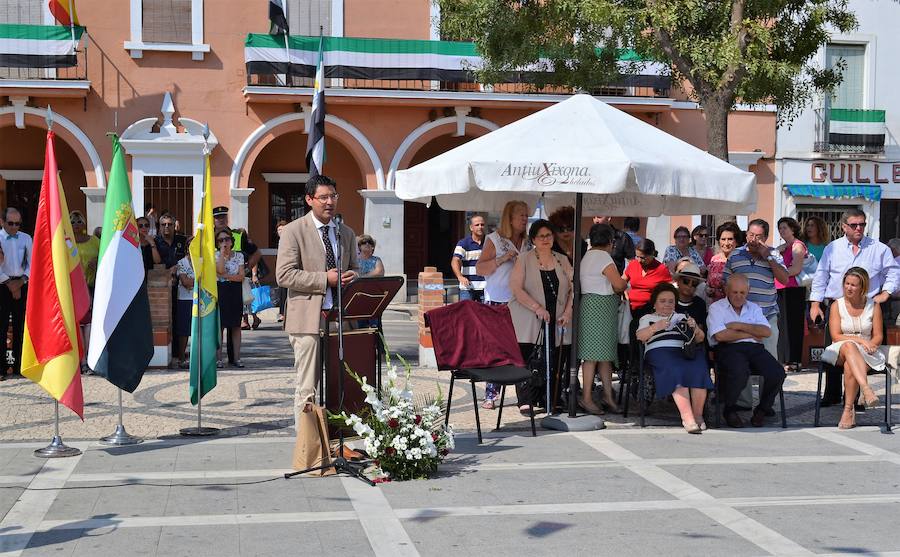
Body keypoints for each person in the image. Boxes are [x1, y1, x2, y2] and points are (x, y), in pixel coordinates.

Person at [275, 175, 358, 427]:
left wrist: (354, 274)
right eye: (323, 197)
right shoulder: (293, 231)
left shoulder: (346, 232)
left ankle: (336, 442)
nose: (330, 202)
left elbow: (355, 267)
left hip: (339, 318)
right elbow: (284, 275)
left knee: (340, 385)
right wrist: (325, 279)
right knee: (307, 386)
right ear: (309, 200)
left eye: (333, 196)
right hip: (307, 320)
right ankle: (308, 450)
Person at [809, 208, 900, 405]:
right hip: (837, 306)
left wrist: (886, 293)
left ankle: (855, 398)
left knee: (866, 349)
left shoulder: (879, 248)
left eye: (862, 224)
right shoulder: (832, 248)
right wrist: (815, 303)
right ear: (844, 226)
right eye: (854, 225)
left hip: (868, 307)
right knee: (834, 351)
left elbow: (893, 272)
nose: (859, 228)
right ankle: (832, 394)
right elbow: (821, 276)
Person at [508, 219, 573, 415]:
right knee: (529, 358)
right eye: (541, 236)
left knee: (555, 359)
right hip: (529, 316)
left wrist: (568, 311)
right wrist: (537, 308)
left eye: (549, 235)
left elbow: (573, 288)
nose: (546, 239)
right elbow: (516, 288)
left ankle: (550, 396)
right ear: (533, 239)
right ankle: (526, 399)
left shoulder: (562, 259)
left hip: (558, 317)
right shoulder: (524, 259)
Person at [707, 274, 787, 428]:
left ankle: (762, 409)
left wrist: (738, 325)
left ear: (747, 292)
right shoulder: (716, 308)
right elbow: (721, 335)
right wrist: (752, 333)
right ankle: (729, 410)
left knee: (777, 372)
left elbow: (766, 331)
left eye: (742, 293)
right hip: (728, 348)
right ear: (726, 290)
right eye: (735, 292)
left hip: (754, 348)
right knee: (740, 373)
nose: (738, 296)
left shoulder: (754, 307)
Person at [636, 283, 712, 433]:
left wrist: (695, 328)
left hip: (683, 351)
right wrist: (655, 327)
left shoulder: (682, 317)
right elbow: (640, 336)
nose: (667, 305)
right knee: (675, 370)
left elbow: (701, 339)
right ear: (655, 303)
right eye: (662, 301)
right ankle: (688, 418)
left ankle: (698, 416)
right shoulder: (648, 318)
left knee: (699, 368)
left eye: (671, 301)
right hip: (659, 351)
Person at [476, 200, 530, 409]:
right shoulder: (494, 239)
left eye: (526, 215)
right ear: (510, 218)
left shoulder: (526, 242)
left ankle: (523, 396)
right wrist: (502, 259)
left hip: (519, 300)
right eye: (521, 215)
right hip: (497, 299)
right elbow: (481, 268)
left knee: (519, 347)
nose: (525, 219)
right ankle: (491, 393)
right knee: (496, 347)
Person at [821, 267, 886, 429]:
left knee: (851, 364)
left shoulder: (874, 306)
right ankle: (866, 389)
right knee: (849, 346)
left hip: (865, 352)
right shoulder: (837, 305)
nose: (849, 288)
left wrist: (872, 344)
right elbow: (836, 336)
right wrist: (860, 341)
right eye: (847, 284)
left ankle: (848, 410)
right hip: (839, 349)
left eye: (853, 285)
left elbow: (878, 335)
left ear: (862, 287)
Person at [578, 224, 627, 414]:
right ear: (610, 241)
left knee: (601, 356)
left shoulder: (587, 256)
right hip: (601, 307)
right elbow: (618, 285)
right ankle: (588, 398)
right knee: (594, 356)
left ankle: (605, 395)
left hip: (591, 305)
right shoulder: (603, 257)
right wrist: (625, 281)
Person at [212, 206, 263, 330]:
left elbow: (257, 253)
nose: (221, 220)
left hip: (235, 286)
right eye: (218, 217)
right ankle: (217, 350)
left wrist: (246, 269)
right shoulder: (207, 237)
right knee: (218, 325)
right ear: (213, 219)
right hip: (214, 286)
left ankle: (233, 349)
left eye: (223, 216)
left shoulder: (238, 234)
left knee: (234, 326)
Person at [0, 208, 31, 379]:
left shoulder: (26, 238)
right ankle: (1, 368)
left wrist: (20, 282)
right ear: (3, 222)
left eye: (17, 224)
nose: (14, 227)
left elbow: (32, 263)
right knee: (1, 326)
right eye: (10, 223)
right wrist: (9, 283)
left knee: (21, 326)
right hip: (2, 286)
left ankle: (20, 366)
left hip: (21, 283)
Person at [775, 217, 808, 372]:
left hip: (793, 288)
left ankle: (794, 360)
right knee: (782, 324)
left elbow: (796, 269)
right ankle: (782, 358)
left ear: (793, 229)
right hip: (781, 288)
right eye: (780, 228)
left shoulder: (797, 246)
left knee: (793, 325)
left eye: (785, 228)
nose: (782, 231)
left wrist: (779, 272)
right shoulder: (783, 246)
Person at [215, 227, 245, 368]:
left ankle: (237, 358)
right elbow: (219, 270)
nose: (224, 242)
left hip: (235, 291)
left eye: (227, 239)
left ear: (232, 241)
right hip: (221, 291)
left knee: (236, 326)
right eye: (221, 240)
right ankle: (219, 358)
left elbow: (240, 277)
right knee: (220, 326)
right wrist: (222, 253)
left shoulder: (239, 256)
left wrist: (226, 276)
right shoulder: (215, 255)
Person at [624, 239, 673, 316]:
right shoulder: (633, 264)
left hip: (650, 311)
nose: (639, 260)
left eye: (643, 258)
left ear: (652, 254)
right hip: (629, 309)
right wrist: (623, 292)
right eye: (637, 256)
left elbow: (670, 289)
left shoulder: (661, 269)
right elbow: (623, 281)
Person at [451, 214, 486, 302]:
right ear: (471, 228)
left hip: (486, 287)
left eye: (482, 224)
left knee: (484, 315)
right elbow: (455, 260)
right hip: (467, 288)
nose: (480, 227)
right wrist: (459, 276)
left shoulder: (489, 243)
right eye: (477, 225)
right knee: (466, 314)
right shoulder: (463, 243)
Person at [707, 221, 742, 302]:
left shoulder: (741, 260)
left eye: (730, 239)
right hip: (715, 305)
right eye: (723, 239)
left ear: (736, 241)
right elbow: (708, 283)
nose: (726, 243)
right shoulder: (714, 259)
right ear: (719, 241)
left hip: (734, 305)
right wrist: (708, 290)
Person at [174, 238, 195, 369]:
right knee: (184, 331)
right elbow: (185, 282)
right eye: (190, 245)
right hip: (184, 299)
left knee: (200, 331)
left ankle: (197, 357)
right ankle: (181, 359)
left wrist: (191, 280)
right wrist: (199, 280)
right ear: (187, 248)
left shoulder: (204, 262)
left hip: (201, 300)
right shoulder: (181, 262)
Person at [70, 211, 99, 292]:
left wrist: (96, 261)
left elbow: (105, 255)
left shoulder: (94, 240)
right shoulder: (66, 243)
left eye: (79, 221)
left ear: (84, 224)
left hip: (93, 285)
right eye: (72, 222)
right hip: (73, 286)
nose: (76, 224)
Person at [673, 262, 708, 328]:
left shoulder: (700, 304)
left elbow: (701, 329)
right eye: (686, 281)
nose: (690, 285)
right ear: (678, 281)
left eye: (694, 283)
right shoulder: (669, 299)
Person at [275, 219, 288, 323]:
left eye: (283, 229)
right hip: (281, 270)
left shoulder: (290, 240)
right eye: (279, 230)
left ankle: (287, 313)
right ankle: (282, 313)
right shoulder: (280, 242)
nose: (281, 232)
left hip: (290, 270)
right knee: (282, 292)